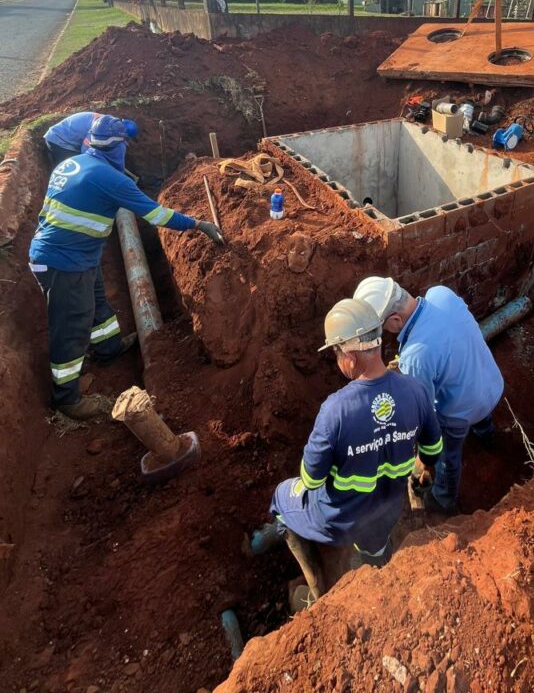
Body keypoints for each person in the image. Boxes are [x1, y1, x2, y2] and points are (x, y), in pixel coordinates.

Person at [29, 115, 223, 419]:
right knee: (72, 325)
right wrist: (199, 224)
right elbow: (157, 216)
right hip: (64, 262)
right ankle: (67, 399)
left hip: (73, 254)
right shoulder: (109, 179)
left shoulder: (73, 163)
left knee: (97, 301)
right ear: (118, 147)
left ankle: (108, 348)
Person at [249, 298, 443, 599]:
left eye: (337, 354)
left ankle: (313, 587)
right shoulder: (414, 391)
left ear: (350, 357)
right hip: (385, 513)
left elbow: (311, 480)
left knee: (281, 496)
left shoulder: (335, 410)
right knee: (376, 547)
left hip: (339, 518)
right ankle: (377, 561)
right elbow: (432, 449)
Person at [354, 277, 504, 516]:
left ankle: (444, 501)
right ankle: (488, 436)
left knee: (448, 456)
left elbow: (426, 414)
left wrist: (424, 457)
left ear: (394, 319)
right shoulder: (440, 293)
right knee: (480, 413)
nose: (385, 333)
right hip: (491, 382)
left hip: (462, 411)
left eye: (382, 327)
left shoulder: (415, 356)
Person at [44, 111, 139, 167]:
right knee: (76, 168)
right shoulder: (99, 128)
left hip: (67, 137)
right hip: (59, 140)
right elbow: (86, 151)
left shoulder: (111, 123)